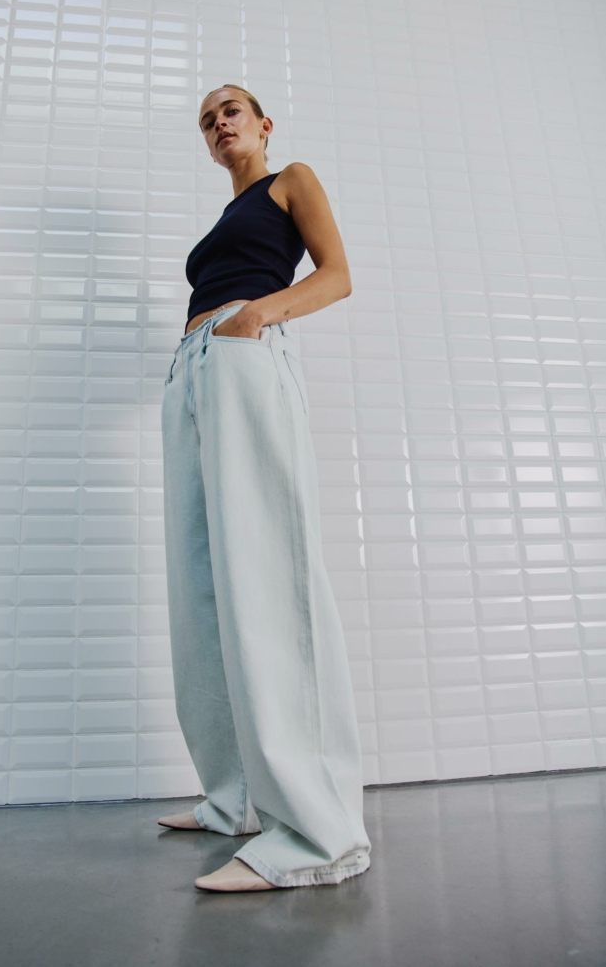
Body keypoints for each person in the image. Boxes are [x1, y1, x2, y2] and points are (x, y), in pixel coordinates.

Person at [158, 83, 372, 892]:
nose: (219, 124)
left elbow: (337, 276)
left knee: (267, 573)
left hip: (243, 356)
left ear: (262, 124)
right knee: (203, 586)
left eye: (231, 111)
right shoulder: (225, 216)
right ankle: (237, 797)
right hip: (194, 371)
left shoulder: (290, 180)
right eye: (207, 120)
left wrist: (257, 316)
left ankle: (316, 834)